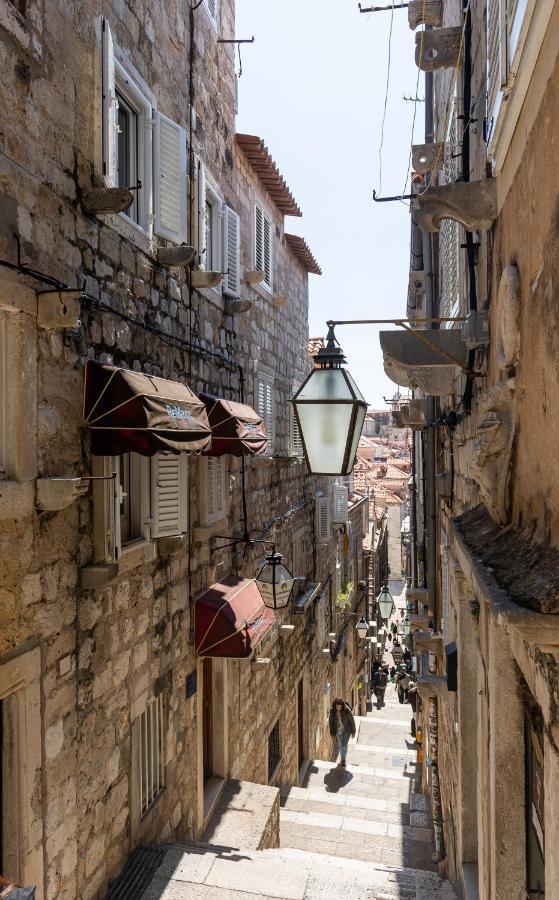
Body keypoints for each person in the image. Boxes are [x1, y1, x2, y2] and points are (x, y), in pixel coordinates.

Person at [328, 698, 356, 768]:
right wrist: (332, 733)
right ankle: (342, 759)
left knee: (344, 745)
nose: (338, 708)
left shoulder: (346, 710)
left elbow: (351, 720)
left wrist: (353, 731)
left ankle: (343, 760)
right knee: (340, 745)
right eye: (337, 706)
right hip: (338, 731)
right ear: (335, 706)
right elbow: (331, 723)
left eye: (339, 706)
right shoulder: (333, 711)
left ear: (342, 706)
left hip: (347, 730)